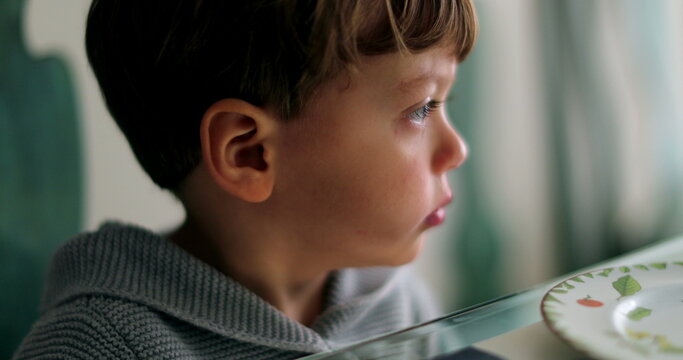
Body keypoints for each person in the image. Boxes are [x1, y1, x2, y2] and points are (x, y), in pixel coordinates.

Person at [14, 0, 477, 358]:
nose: (457, 149)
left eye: (444, 102)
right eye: (420, 108)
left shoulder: (399, 303)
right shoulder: (96, 347)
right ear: (249, 154)